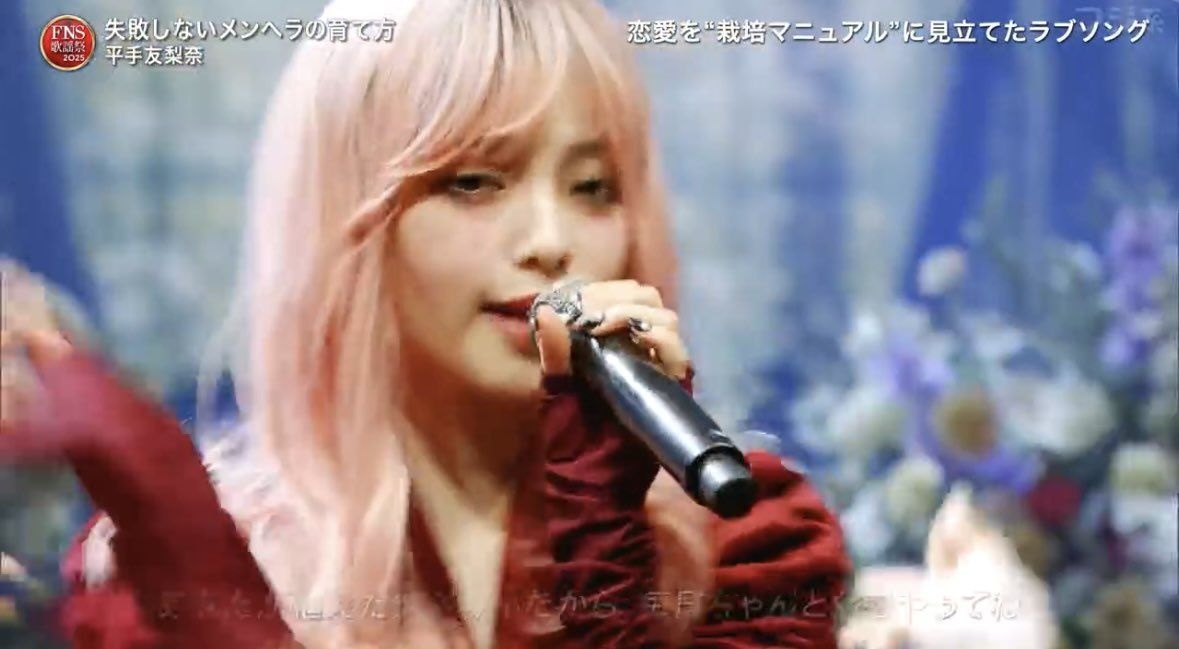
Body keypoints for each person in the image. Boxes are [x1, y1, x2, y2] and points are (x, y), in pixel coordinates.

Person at [0, 0, 851, 647]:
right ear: (350, 222)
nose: (550, 240)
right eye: (474, 181)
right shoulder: (195, 563)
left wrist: (603, 519)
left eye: (592, 187)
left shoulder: (742, 534)